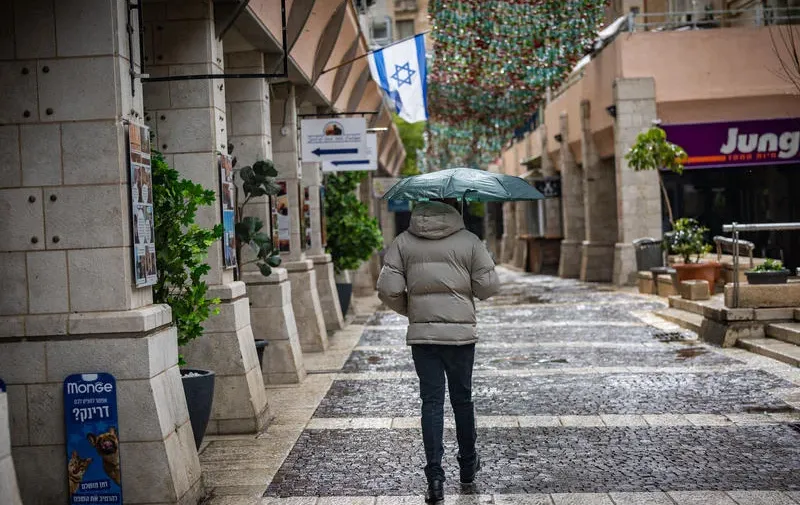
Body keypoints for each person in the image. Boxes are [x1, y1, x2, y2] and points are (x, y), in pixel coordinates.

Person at [377, 198, 499, 504]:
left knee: (431, 402)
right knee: (462, 400)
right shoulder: (469, 240)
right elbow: (488, 288)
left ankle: (434, 477)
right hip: (460, 338)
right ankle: (468, 466)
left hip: (424, 338)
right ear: (454, 208)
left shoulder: (403, 242)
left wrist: (413, 311)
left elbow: (387, 289)